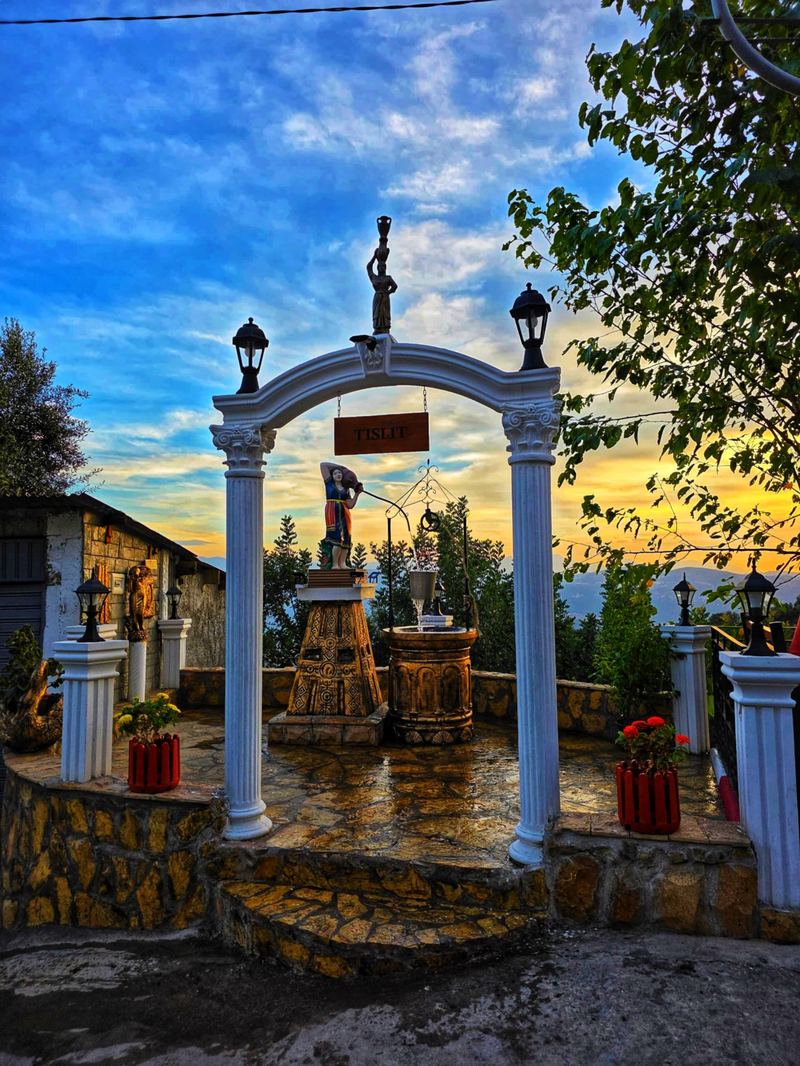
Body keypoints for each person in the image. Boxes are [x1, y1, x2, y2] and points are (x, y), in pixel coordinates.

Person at [320, 462, 363, 569]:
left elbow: (350, 505)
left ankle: (342, 563)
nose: (338, 474)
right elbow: (323, 465)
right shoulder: (329, 483)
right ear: (332, 476)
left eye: (340, 473)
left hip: (345, 514)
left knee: (346, 539)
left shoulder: (346, 489)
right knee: (337, 538)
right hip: (332, 512)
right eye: (335, 473)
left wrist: (357, 494)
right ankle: (335, 564)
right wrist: (342, 467)